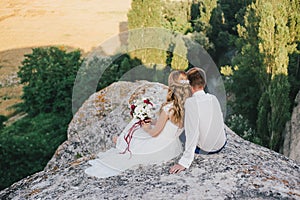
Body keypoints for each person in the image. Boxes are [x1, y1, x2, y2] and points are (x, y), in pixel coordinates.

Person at [85, 70, 192, 178]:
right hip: (173, 146)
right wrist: (152, 121)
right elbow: (170, 124)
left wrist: (147, 128)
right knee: (140, 123)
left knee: (136, 124)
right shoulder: (187, 105)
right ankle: (122, 140)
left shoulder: (168, 108)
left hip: (159, 146)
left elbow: (154, 133)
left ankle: (122, 141)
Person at [170, 67, 227, 174]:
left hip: (206, 149)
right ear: (204, 84)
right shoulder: (213, 98)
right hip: (221, 144)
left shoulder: (191, 103)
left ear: (189, 85)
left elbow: (193, 133)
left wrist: (184, 162)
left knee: (181, 133)